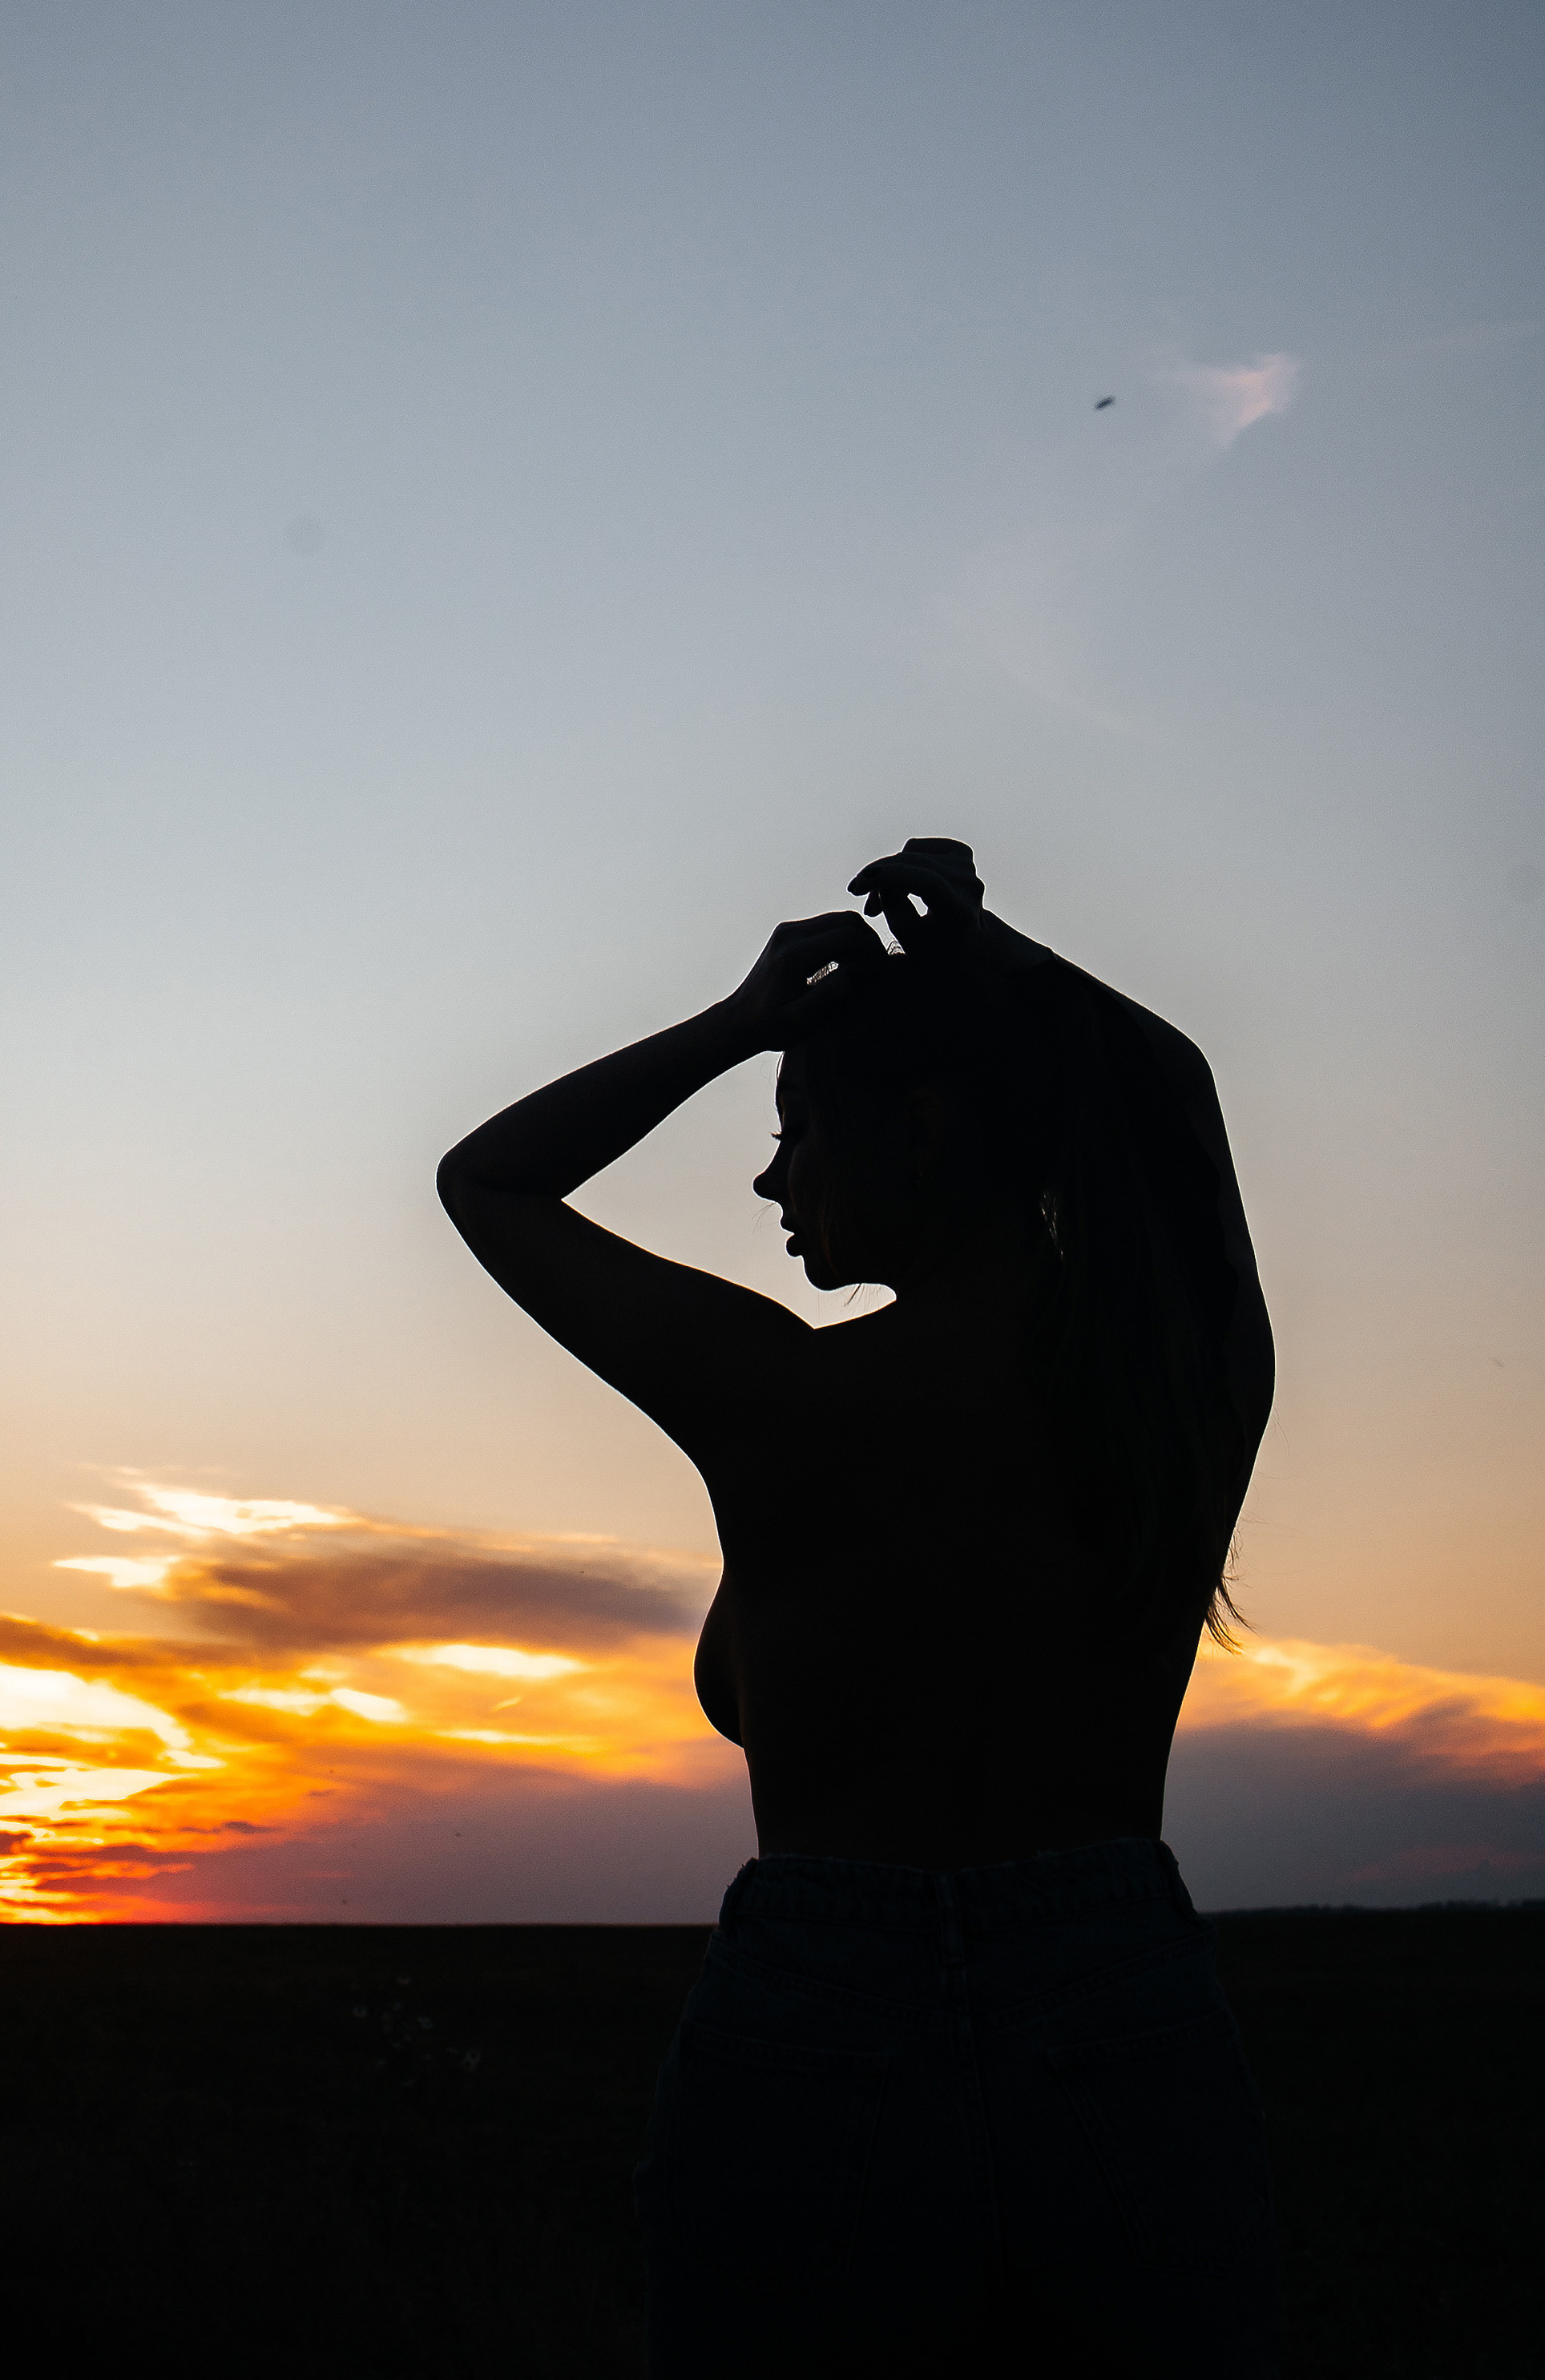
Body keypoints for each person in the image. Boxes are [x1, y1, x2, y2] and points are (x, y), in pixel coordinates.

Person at [437, 839, 1280, 2375]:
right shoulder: (1187, 1395)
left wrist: (740, 1018)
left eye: (797, 1127)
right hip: (1119, 2000)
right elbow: (1185, 1102)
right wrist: (1002, 954)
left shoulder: (778, 1396)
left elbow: (486, 1179)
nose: (769, 1178)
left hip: (819, 2014)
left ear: (919, 1130)